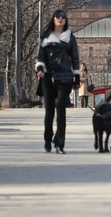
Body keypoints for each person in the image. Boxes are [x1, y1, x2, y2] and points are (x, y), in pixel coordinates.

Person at [35, 9, 80, 154]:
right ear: (53, 19)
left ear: (65, 20)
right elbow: (40, 56)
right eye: (57, 16)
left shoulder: (69, 37)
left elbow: (75, 57)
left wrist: (77, 75)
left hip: (65, 77)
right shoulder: (46, 36)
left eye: (63, 17)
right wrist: (40, 69)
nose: (60, 19)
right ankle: (48, 139)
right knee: (49, 110)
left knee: (61, 109)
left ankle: (60, 142)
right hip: (48, 77)